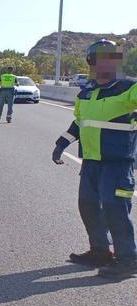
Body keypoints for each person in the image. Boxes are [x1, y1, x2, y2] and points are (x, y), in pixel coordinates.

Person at [53, 39, 137, 279]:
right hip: (91, 162)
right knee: (88, 205)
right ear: (91, 62)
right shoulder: (86, 93)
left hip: (117, 163)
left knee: (115, 208)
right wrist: (61, 144)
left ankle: (128, 259)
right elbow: (79, 122)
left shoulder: (127, 88)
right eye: (100, 58)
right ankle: (100, 251)